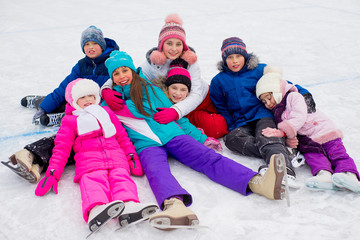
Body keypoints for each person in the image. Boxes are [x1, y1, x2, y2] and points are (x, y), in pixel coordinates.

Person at [103, 50, 289, 230]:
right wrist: (106, 93)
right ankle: (174, 206)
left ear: (133, 71)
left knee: (208, 157)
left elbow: (179, 118)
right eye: (116, 73)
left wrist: (201, 138)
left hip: (173, 135)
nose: (121, 76)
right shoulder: (109, 102)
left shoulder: (151, 90)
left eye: (125, 70)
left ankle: (259, 183)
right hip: (145, 145)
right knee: (156, 172)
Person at [34, 78, 158, 233]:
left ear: (96, 97)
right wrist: (53, 173)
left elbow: (122, 136)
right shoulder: (71, 120)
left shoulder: (105, 112)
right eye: (82, 97)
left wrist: (131, 156)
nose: (88, 100)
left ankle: (129, 206)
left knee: (121, 178)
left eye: (90, 96)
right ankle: (96, 209)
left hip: (116, 158)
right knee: (93, 181)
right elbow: (61, 148)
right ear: (73, 101)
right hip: (89, 162)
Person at [3, 26, 119, 182]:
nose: (90, 48)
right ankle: (41, 102)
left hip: (95, 106)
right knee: (61, 99)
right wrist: (45, 107)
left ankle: (37, 158)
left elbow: (116, 91)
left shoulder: (113, 63)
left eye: (94, 44)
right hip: (79, 100)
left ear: (102, 45)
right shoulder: (82, 65)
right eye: (86, 44)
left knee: (76, 132)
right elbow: (64, 87)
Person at [209, 37, 316, 189]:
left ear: (245, 56)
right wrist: (232, 125)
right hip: (240, 121)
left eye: (238, 56)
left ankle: (284, 169)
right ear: (224, 59)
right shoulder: (218, 81)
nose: (234, 61)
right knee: (232, 140)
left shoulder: (260, 70)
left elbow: (282, 84)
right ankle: (280, 152)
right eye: (230, 57)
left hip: (262, 114)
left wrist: (304, 94)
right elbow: (221, 106)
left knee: (266, 134)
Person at [255, 70, 360, 193]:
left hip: (323, 131)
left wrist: (283, 132)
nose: (268, 103)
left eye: (269, 98)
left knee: (336, 153)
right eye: (264, 101)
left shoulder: (293, 97)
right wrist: (291, 139)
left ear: (277, 91)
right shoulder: (279, 111)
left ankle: (349, 175)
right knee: (314, 157)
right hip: (309, 141)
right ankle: (324, 175)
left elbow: (299, 116)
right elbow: (293, 129)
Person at [100, 13, 209, 125]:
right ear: (161, 45)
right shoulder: (154, 62)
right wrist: (106, 90)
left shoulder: (190, 62)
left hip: (201, 98)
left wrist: (176, 111)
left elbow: (196, 94)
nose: (174, 49)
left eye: (178, 44)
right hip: (176, 101)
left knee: (212, 126)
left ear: (184, 45)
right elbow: (131, 74)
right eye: (169, 43)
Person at [152, 58, 228, 139]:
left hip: (205, 98)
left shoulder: (197, 88)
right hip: (189, 111)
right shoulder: (161, 96)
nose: (177, 93)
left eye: (183, 89)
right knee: (215, 128)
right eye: (174, 88)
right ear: (167, 87)